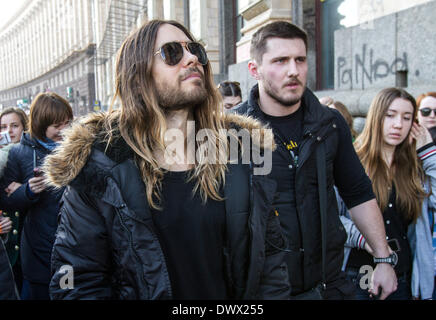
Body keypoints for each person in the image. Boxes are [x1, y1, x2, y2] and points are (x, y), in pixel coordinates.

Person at [43, 19, 291, 300]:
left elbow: (269, 260)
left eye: (195, 49)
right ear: (139, 74)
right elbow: (76, 280)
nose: (192, 58)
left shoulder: (240, 150)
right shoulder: (99, 163)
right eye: (172, 52)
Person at [237, 20, 397, 299]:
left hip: (327, 285)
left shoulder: (330, 123)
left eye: (300, 60)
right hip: (262, 291)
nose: (293, 70)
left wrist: (383, 259)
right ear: (255, 69)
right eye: (280, 60)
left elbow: (357, 192)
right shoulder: (234, 130)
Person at [341, 87, 435, 300]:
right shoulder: (352, 162)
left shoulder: (415, 170)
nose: (398, 124)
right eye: (390, 115)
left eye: (407, 117)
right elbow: (332, 217)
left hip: (403, 277)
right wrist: (366, 241)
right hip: (358, 274)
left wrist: (429, 153)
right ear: (376, 117)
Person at [0, 92, 73, 300]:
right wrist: (28, 191)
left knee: (68, 292)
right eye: (57, 125)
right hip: (38, 251)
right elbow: (7, 201)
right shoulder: (19, 153)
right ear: (41, 124)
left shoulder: (76, 148)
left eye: (67, 123)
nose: (64, 130)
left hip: (72, 247)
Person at [0, 107, 29, 295]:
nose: (9, 131)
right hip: (7, 253)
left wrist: (25, 189)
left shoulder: (34, 155)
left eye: (14, 125)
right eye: (3, 127)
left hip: (31, 248)